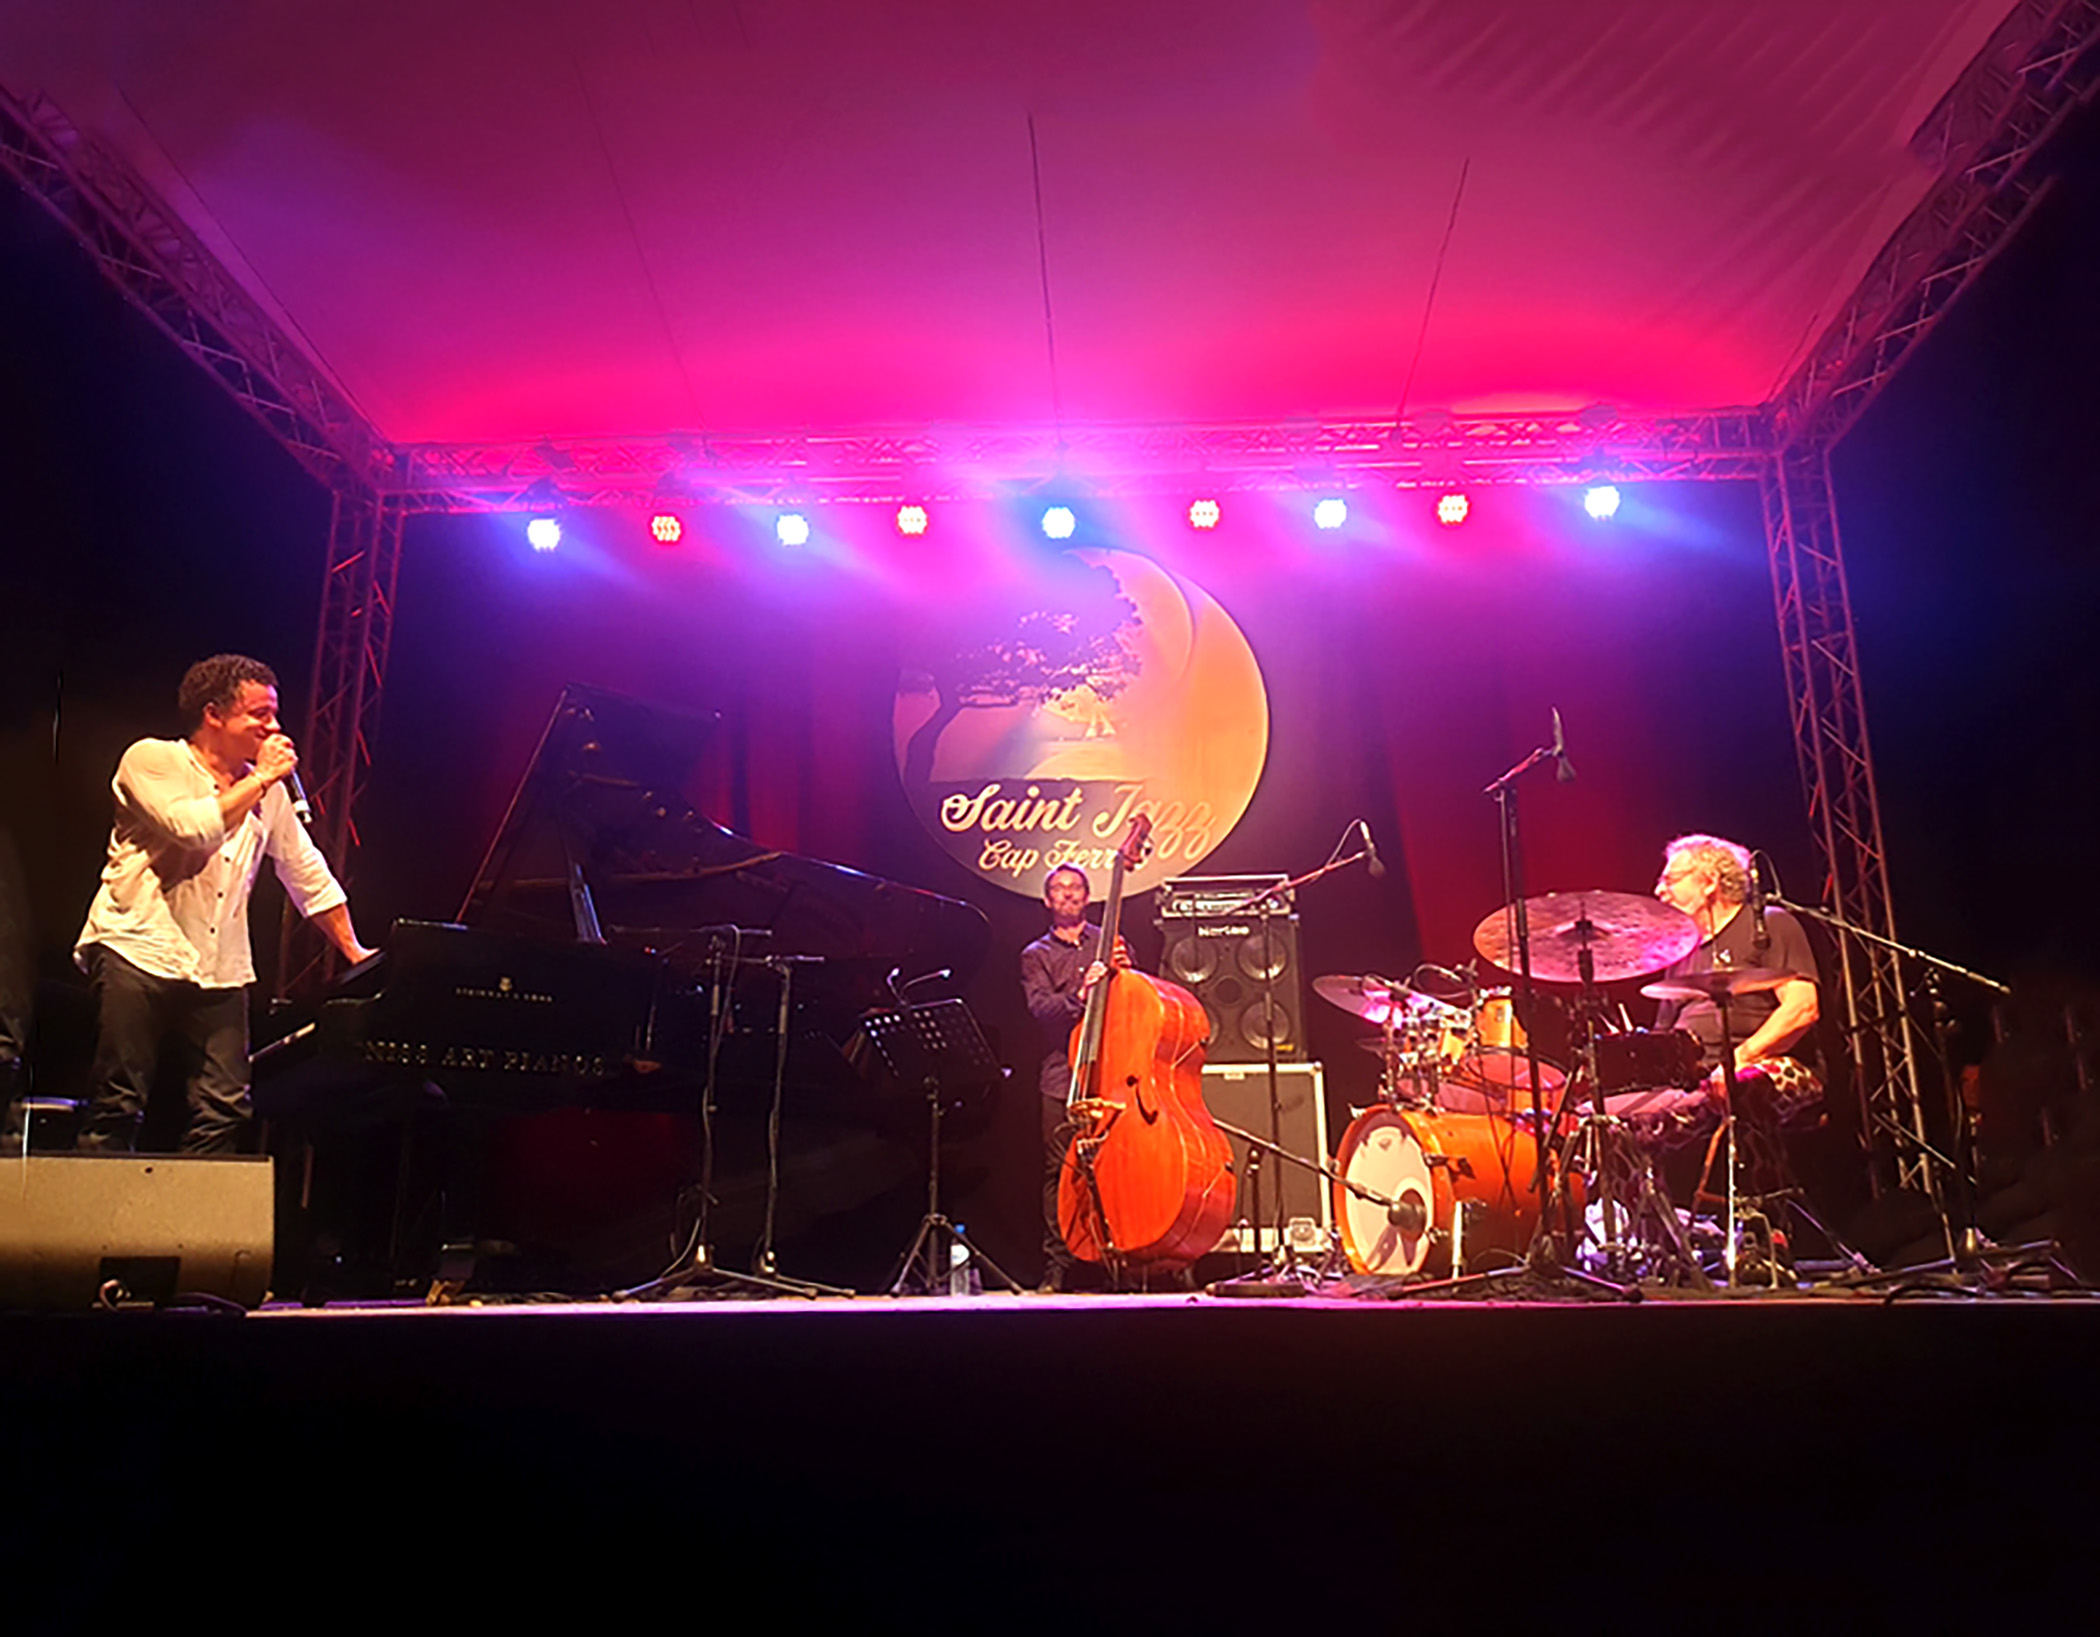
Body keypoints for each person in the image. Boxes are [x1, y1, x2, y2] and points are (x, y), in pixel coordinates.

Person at [74, 654, 375, 1154]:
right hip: (137, 946)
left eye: (275, 714)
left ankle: (191, 1230)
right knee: (119, 1100)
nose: (273, 726)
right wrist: (262, 780)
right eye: (259, 714)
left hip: (220, 967)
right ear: (214, 714)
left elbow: (305, 871)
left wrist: (355, 951)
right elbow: (192, 830)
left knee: (226, 1105)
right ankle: (99, 1227)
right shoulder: (153, 760)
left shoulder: (268, 790)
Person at [1649, 833, 1821, 1218]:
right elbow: (1662, 1042)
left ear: (1709, 882)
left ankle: (1764, 1226)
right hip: (1697, 1078)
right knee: (1619, 1120)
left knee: (1741, 1086)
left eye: (1671, 879)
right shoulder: (1679, 952)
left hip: (1771, 1064)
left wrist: (1739, 1057)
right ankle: (1658, 1236)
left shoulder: (1768, 924)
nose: (1659, 890)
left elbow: (1803, 1008)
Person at [1019, 864, 1127, 1289]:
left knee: (1120, 1166)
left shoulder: (1109, 942)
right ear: (1047, 901)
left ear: (1087, 896)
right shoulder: (1035, 955)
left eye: (1075, 888)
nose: (1067, 895)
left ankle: (1124, 1256)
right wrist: (1082, 994)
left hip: (1115, 1071)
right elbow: (1040, 1009)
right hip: (1061, 1076)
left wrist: (1124, 974)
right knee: (1059, 1172)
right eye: (1058, 890)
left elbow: (1132, 1000)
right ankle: (1057, 1267)